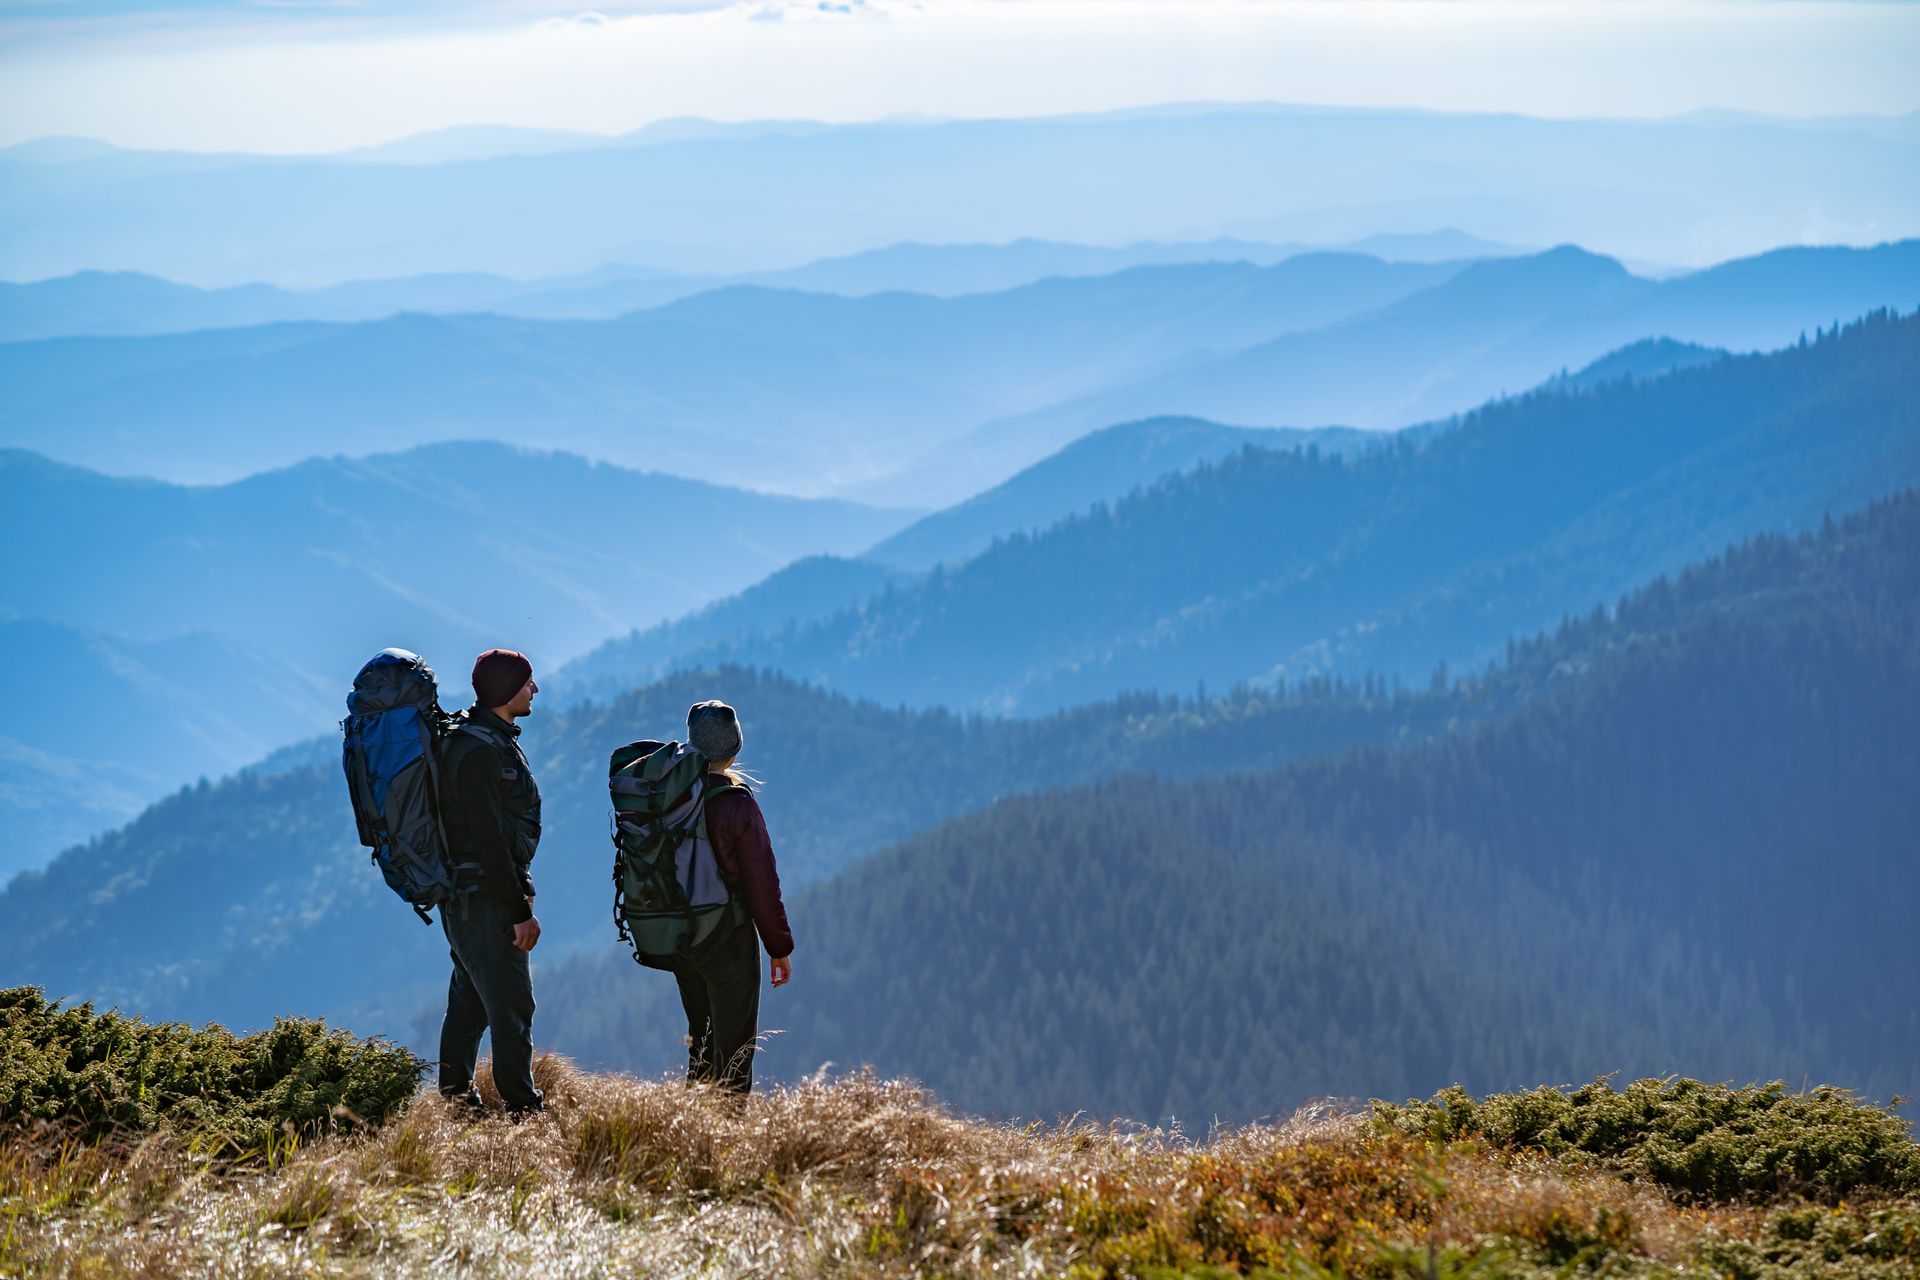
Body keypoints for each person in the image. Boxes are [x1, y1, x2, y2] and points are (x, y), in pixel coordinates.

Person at [435, 648, 545, 1118]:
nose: (534, 689)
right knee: (512, 1007)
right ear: (505, 690)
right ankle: (523, 1112)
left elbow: (494, 832)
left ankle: (458, 1104)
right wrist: (519, 910)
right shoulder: (479, 751)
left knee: (472, 1002)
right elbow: (487, 839)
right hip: (483, 899)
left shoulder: (485, 739)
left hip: (471, 894)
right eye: (526, 682)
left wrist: (522, 883)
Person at [671, 699, 794, 1094]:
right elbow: (762, 884)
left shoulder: (672, 799)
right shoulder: (737, 806)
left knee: (701, 1042)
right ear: (735, 747)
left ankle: (690, 1128)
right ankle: (726, 1140)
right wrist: (778, 947)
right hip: (727, 939)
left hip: (682, 937)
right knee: (735, 1050)